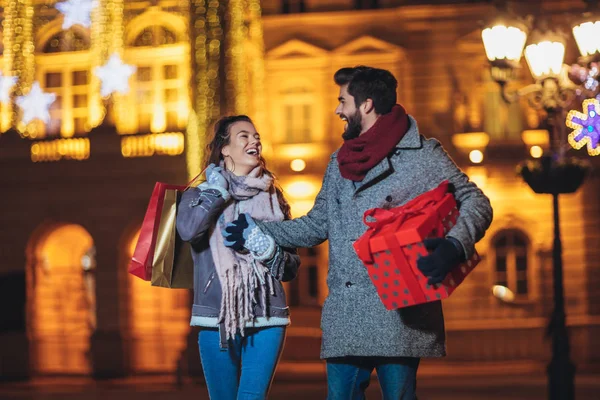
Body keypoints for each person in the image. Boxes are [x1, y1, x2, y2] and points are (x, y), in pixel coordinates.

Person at [222, 66, 493, 399]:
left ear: (365, 105)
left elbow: (476, 201)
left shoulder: (423, 155)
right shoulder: (340, 161)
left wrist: (455, 245)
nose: (337, 110)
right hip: (347, 314)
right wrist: (256, 230)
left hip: (400, 309)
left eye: (342, 101)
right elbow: (316, 225)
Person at [176, 115, 300, 400]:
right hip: (216, 318)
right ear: (225, 148)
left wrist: (265, 248)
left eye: (256, 136)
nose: (254, 140)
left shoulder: (275, 198)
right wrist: (218, 192)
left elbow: (291, 267)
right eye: (244, 135)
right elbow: (188, 230)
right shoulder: (199, 195)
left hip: (268, 316)